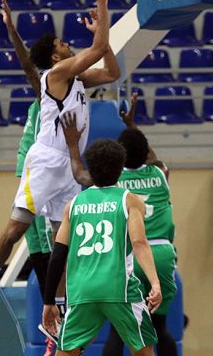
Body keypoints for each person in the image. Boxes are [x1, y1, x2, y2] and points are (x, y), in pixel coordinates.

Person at [0, 0, 121, 330]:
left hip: (69, 166)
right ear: (55, 56)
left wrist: (103, 36)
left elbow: (112, 71)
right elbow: (97, 48)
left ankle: (62, 311)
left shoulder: (77, 79)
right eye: (62, 43)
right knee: (14, 231)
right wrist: (102, 3)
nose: (67, 44)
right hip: (46, 162)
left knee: (62, 244)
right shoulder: (57, 74)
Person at [61, 94, 178, 356]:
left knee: (118, 330)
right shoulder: (161, 172)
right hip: (160, 253)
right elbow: (148, 154)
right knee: (158, 328)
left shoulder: (114, 180)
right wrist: (132, 126)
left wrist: (72, 144)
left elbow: (79, 174)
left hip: (127, 255)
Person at [41, 139, 162, 356]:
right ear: (120, 169)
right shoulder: (130, 200)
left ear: (90, 169)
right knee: (143, 350)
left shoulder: (73, 205)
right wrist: (154, 282)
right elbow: (139, 243)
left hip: (81, 290)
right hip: (119, 289)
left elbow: (58, 255)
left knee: (67, 352)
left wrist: (49, 300)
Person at [1, 0, 55, 354]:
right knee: (46, 251)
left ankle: (54, 326)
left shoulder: (63, 88)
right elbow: (28, 67)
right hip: (38, 171)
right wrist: (13, 32)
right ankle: (55, 323)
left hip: (38, 171)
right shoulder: (48, 88)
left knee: (42, 252)